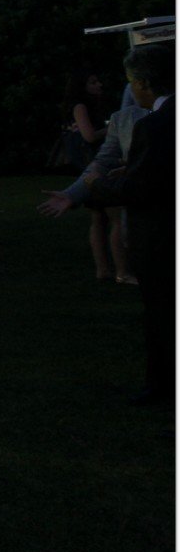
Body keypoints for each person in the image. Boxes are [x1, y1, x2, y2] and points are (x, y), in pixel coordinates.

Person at [88, 45, 174, 406]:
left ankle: (163, 386)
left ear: (143, 83)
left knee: (162, 314)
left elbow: (142, 189)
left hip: (161, 237)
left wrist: (99, 187)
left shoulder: (154, 125)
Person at [60, 72, 131, 282]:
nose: (99, 85)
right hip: (95, 165)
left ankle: (104, 270)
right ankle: (122, 271)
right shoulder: (81, 106)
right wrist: (113, 128)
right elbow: (89, 135)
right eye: (93, 82)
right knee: (115, 217)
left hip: (91, 165)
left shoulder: (89, 106)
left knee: (99, 218)